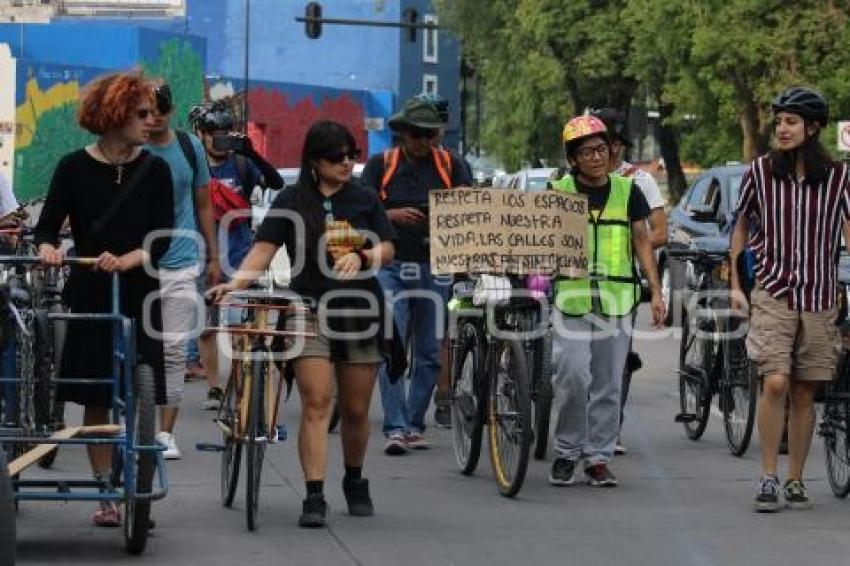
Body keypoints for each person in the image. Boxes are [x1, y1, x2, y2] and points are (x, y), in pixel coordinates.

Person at [208, 120, 399, 528]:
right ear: (315, 160)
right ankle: (314, 495)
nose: (347, 163)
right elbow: (263, 249)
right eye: (337, 157)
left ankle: (353, 478)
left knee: (356, 410)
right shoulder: (292, 200)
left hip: (361, 313)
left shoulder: (364, 198)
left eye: (352, 155)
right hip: (306, 312)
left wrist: (365, 257)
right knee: (316, 401)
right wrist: (234, 284)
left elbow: (388, 247)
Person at [34, 71, 174, 526]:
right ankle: (106, 492)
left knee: (142, 388)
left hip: (139, 289)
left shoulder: (156, 169)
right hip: (91, 287)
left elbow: (164, 235)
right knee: (97, 392)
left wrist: (134, 256)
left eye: (152, 113)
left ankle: (136, 475)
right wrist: (49, 249)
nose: (151, 121)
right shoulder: (72, 166)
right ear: (114, 114)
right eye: (142, 113)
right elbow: (48, 225)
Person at [730, 86, 850, 512]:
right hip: (773, 289)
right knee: (776, 379)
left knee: (804, 391)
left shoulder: (839, 177)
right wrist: (734, 284)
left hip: (820, 295)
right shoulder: (760, 172)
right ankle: (767, 476)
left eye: (791, 122)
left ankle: (796, 479)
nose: (781, 129)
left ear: (812, 128)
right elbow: (742, 226)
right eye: (779, 121)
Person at [549, 115, 665, 488]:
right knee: (571, 374)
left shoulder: (627, 190)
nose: (597, 157)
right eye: (587, 152)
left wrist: (657, 290)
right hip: (572, 299)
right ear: (574, 158)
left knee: (609, 382)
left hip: (617, 300)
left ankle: (597, 456)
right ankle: (567, 451)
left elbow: (642, 241)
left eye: (602, 149)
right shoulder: (558, 192)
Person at [360, 95, 473, 454]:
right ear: (403, 133)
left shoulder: (453, 165)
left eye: (429, 135)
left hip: (435, 265)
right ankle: (395, 426)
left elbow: (471, 211)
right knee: (392, 343)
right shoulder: (381, 165)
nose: (422, 142)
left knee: (429, 352)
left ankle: (413, 421)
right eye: (415, 135)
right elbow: (363, 210)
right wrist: (392, 217)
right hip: (390, 264)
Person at [145, 81, 220, 459]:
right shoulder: (129, 146)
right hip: (136, 264)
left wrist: (213, 257)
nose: (152, 118)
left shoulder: (189, 148)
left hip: (181, 260)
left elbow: (204, 204)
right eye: (144, 110)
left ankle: (165, 432)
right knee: (135, 348)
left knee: (173, 349)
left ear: (170, 110)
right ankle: (135, 422)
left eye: (159, 110)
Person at [195, 103, 283, 410]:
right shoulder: (196, 167)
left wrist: (253, 152)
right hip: (203, 255)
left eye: (224, 134)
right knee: (206, 326)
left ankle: (235, 382)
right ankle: (214, 387)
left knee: (236, 323)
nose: (219, 141)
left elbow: (276, 183)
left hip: (240, 254)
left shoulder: (243, 165)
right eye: (213, 135)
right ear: (201, 135)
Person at [591, 108, 668, 455]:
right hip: (577, 285)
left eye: (612, 143)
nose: (605, 150)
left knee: (615, 361)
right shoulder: (568, 181)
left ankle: (609, 431)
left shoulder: (639, 181)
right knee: (575, 364)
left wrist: (630, 245)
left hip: (622, 283)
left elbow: (659, 232)